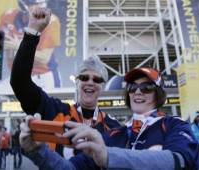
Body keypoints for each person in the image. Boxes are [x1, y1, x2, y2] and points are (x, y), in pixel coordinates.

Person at [20, 67, 199, 170]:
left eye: (146, 87)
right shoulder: (116, 134)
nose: (137, 91)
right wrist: (37, 151)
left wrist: (107, 155)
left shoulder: (175, 124)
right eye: (132, 87)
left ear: (158, 93)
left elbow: (180, 160)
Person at [10, 7, 121, 158]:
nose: (90, 82)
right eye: (84, 77)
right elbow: (19, 82)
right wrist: (33, 31)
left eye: (96, 79)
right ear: (77, 82)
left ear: (102, 86)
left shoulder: (114, 127)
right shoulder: (55, 110)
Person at [0, 0, 61, 98]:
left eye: (43, 4)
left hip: (43, 77)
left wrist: (20, 46)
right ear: (24, 6)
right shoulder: (8, 16)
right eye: (36, 5)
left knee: (45, 110)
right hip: (19, 76)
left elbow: (44, 58)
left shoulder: (51, 21)